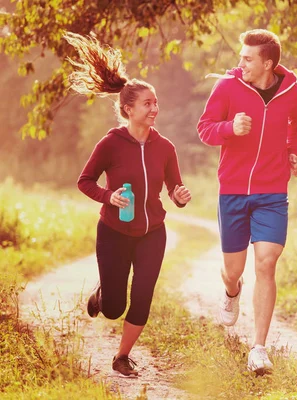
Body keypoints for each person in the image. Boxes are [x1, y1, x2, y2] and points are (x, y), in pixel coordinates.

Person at [64, 32, 192, 378]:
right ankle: (103, 293)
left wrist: (179, 196)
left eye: (156, 102)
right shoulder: (111, 144)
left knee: (143, 295)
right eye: (148, 103)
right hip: (114, 231)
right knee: (113, 307)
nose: (155, 108)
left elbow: (174, 186)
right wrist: (109, 196)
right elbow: (84, 181)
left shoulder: (165, 147)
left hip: (153, 231)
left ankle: (122, 357)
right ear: (128, 109)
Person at [197, 28, 297, 375]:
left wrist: (294, 152)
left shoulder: (293, 91)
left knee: (266, 262)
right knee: (233, 270)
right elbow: (204, 128)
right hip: (232, 190)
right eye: (240, 57)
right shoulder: (228, 87)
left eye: (247, 59)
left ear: (268, 63)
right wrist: (231, 128)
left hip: (272, 192)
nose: (240, 63)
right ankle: (232, 291)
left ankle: (258, 348)